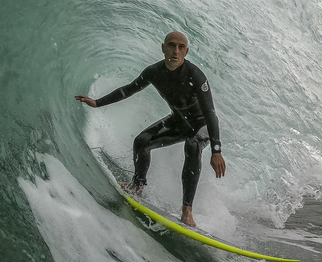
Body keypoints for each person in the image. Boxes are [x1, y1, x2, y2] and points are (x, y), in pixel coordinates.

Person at [75, 31, 226, 227]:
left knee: (192, 145)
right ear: (163, 48)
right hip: (179, 122)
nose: (176, 51)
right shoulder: (154, 72)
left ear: (186, 52)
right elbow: (128, 89)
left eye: (181, 47)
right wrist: (97, 102)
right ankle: (137, 185)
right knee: (142, 141)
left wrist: (216, 150)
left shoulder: (196, 76)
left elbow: (211, 114)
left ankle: (187, 210)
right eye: (171, 45)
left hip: (202, 126)